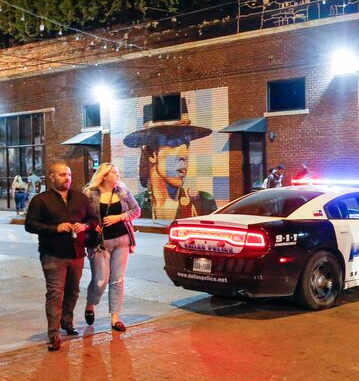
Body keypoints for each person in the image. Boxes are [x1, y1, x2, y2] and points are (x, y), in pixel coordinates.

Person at [24, 163, 98, 351]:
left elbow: (92, 219)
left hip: (77, 252)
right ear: (52, 177)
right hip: (53, 254)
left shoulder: (80, 198)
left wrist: (85, 226)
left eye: (69, 175)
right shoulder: (41, 200)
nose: (67, 178)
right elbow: (30, 225)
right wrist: (55, 228)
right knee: (56, 293)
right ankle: (54, 334)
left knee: (73, 291)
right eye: (63, 175)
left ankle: (67, 322)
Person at [123, 100, 217, 220]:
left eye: (186, 143)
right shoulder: (136, 204)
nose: (184, 154)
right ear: (151, 153)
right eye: (174, 142)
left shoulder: (202, 202)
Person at [82, 163, 142, 333]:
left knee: (118, 280)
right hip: (100, 243)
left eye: (117, 172)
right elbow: (83, 216)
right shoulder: (90, 194)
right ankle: (90, 303)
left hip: (122, 240)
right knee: (100, 280)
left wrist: (120, 217)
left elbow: (136, 210)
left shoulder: (122, 191)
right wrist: (92, 225)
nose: (117, 175)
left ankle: (115, 318)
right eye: (114, 173)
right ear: (104, 175)